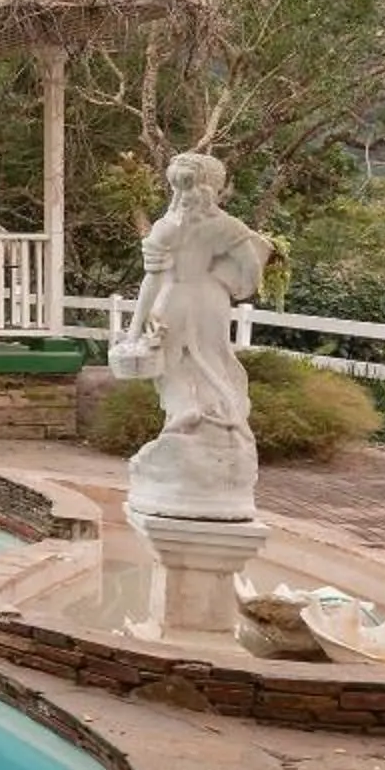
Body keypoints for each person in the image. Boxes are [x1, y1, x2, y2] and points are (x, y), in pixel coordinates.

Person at [117, 150, 275, 519]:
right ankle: (224, 422)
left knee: (171, 366)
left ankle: (186, 415)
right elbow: (252, 268)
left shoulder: (167, 227)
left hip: (173, 298)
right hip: (211, 301)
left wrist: (133, 329)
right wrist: (234, 285)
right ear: (215, 186)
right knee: (215, 363)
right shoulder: (227, 225)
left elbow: (151, 281)